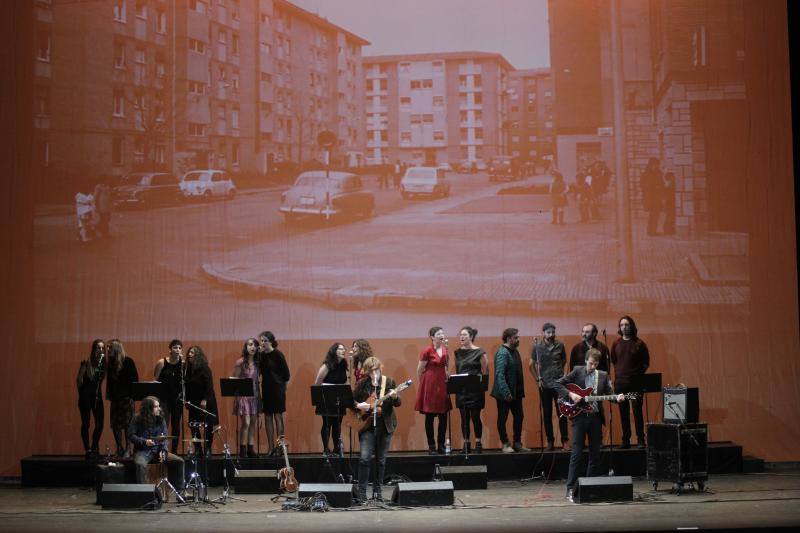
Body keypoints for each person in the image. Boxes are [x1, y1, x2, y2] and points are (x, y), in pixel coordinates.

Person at [555, 349, 625, 503]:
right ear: (586, 360)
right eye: (590, 363)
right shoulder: (577, 371)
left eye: (595, 364)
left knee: (595, 454)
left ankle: (588, 486)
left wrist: (617, 398)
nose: (592, 366)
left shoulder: (603, 375)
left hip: (595, 418)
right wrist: (571, 395)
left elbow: (609, 394)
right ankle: (570, 488)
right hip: (579, 418)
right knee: (577, 453)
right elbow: (558, 384)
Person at [353, 356, 401, 502]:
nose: (374, 374)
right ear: (367, 372)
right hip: (367, 425)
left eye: (376, 371)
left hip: (385, 425)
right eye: (371, 371)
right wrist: (358, 405)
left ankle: (377, 492)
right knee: (364, 458)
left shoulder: (390, 382)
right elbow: (351, 401)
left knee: (380, 460)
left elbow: (398, 403)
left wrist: (393, 397)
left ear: (380, 369)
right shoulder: (362, 383)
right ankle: (362, 493)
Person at [128, 396, 185, 491]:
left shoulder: (161, 419)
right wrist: (144, 441)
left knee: (179, 461)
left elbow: (165, 438)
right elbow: (131, 435)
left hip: (158, 450)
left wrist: (163, 450)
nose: (159, 408)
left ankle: (180, 492)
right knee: (141, 464)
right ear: (148, 409)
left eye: (159, 406)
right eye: (156, 407)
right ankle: (145, 494)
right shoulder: (137, 418)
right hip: (143, 451)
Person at [610, 315, 650, 448]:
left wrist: (637, 375)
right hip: (620, 383)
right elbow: (614, 360)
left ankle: (640, 440)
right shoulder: (616, 343)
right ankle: (625, 440)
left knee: (637, 411)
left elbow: (646, 362)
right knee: (623, 413)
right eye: (621, 325)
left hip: (636, 383)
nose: (624, 327)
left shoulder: (639, 343)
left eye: (626, 324)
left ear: (631, 326)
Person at [530, 323, 569, 451]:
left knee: (562, 412)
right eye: (548, 332)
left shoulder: (560, 345)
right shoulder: (537, 347)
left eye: (553, 332)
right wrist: (538, 379)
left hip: (559, 384)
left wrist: (560, 374)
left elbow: (564, 361)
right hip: (545, 385)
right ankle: (550, 441)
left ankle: (565, 441)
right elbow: (531, 365)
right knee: (547, 414)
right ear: (543, 333)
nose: (551, 335)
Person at [491, 328, 529, 453]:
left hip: (516, 393)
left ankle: (517, 443)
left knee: (519, 417)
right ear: (509, 339)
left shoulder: (515, 351)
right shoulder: (502, 353)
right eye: (516, 337)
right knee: (503, 418)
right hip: (504, 394)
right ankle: (505, 444)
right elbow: (500, 375)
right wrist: (506, 392)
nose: (518, 339)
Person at [415, 326, 452, 455]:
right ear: (432, 337)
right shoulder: (427, 350)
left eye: (442, 333)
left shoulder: (445, 349)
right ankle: (432, 446)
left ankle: (441, 445)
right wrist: (423, 386)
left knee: (443, 416)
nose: (441, 335)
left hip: (442, 384)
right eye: (438, 333)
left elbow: (447, 366)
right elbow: (419, 370)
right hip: (430, 384)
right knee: (429, 417)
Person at [454, 326, 488, 454]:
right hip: (462, 390)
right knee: (464, 418)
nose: (462, 337)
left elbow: (485, 371)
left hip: (475, 390)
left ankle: (478, 443)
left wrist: (482, 386)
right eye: (460, 335)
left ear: (471, 337)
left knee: (475, 417)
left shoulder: (480, 352)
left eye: (465, 335)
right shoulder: (457, 352)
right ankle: (466, 444)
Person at [258, 331, 290, 457]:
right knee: (267, 417)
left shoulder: (278, 355)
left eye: (265, 340)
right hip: (266, 389)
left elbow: (286, 375)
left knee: (278, 416)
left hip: (278, 389)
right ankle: (271, 447)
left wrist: (282, 389)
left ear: (271, 341)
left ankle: (280, 447)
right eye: (261, 340)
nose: (263, 343)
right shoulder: (260, 356)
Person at [314, 343, 349, 456]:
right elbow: (317, 383)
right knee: (327, 424)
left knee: (337, 425)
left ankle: (336, 448)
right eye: (340, 349)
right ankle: (326, 449)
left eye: (344, 349)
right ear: (334, 351)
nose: (343, 350)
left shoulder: (344, 364)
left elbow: (345, 382)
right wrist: (320, 399)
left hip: (339, 398)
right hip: (327, 398)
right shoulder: (327, 365)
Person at [106, 339, 139, 457]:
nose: (108, 350)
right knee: (115, 425)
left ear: (116, 348)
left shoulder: (128, 361)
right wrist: (110, 396)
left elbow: (135, 380)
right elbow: (109, 383)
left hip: (126, 399)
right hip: (115, 399)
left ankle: (128, 448)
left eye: (109, 347)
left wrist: (131, 396)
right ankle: (119, 447)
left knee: (127, 425)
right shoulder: (110, 363)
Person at [185, 345, 218, 457]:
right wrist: (186, 400)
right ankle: (198, 449)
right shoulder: (188, 369)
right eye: (189, 352)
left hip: (206, 400)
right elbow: (186, 386)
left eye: (192, 352)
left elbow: (209, 386)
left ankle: (208, 449)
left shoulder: (205, 368)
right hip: (193, 400)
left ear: (198, 355)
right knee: (193, 424)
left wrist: (205, 399)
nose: (189, 354)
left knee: (208, 425)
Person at [153, 339, 185, 454]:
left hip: (177, 399)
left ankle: (174, 451)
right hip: (164, 399)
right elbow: (155, 381)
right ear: (170, 349)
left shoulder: (183, 364)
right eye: (175, 347)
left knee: (176, 425)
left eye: (180, 348)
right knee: (163, 424)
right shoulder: (162, 362)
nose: (178, 350)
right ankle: (162, 449)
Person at [77, 339, 106, 459]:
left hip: (97, 397)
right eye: (98, 348)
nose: (100, 350)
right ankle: (88, 449)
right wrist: (82, 394)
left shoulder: (103, 364)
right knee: (86, 423)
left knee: (99, 424)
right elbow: (79, 380)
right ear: (94, 349)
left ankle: (94, 447)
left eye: (102, 348)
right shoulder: (86, 363)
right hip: (85, 396)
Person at [233, 338, 261, 458]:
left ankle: (250, 448)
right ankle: (242, 450)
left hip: (254, 395)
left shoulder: (258, 362)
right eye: (250, 345)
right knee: (246, 422)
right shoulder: (240, 362)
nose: (252, 347)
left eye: (255, 345)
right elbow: (234, 378)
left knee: (253, 423)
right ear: (246, 347)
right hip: (243, 396)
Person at [641, 157, 664, 236]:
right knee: (652, 215)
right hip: (649, 197)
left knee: (655, 215)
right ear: (651, 165)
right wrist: (654, 186)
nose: (656, 166)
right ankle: (651, 231)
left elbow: (661, 184)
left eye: (657, 165)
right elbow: (643, 185)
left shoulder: (659, 173)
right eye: (655, 164)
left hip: (657, 197)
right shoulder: (646, 174)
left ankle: (652, 231)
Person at [662, 171, 676, 235]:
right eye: (672, 177)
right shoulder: (668, 185)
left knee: (669, 216)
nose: (673, 178)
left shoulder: (668, 184)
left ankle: (669, 229)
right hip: (669, 202)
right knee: (669, 216)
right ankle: (667, 230)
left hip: (669, 202)